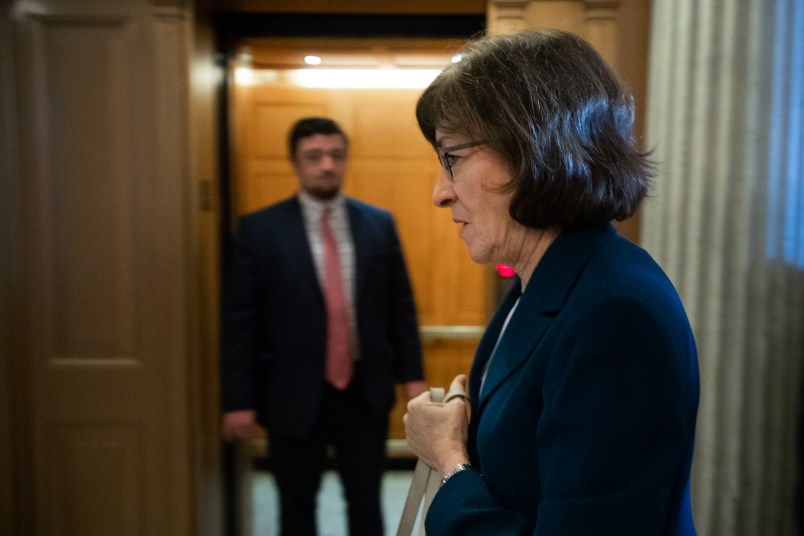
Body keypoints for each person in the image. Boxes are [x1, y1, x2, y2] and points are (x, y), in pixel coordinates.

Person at [403, 30, 700, 535]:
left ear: (530, 148)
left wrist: (449, 459)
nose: (440, 193)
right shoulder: (543, 280)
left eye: (451, 158)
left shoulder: (616, 313)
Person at [221, 117, 427, 536]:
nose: (327, 165)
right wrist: (237, 400)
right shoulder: (260, 231)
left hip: (363, 392)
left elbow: (400, 307)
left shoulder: (378, 224)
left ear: (346, 158)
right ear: (295, 162)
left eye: (335, 155)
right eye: (314, 156)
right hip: (291, 393)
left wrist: (414, 379)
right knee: (296, 508)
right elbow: (240, 321)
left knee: (366, 501)